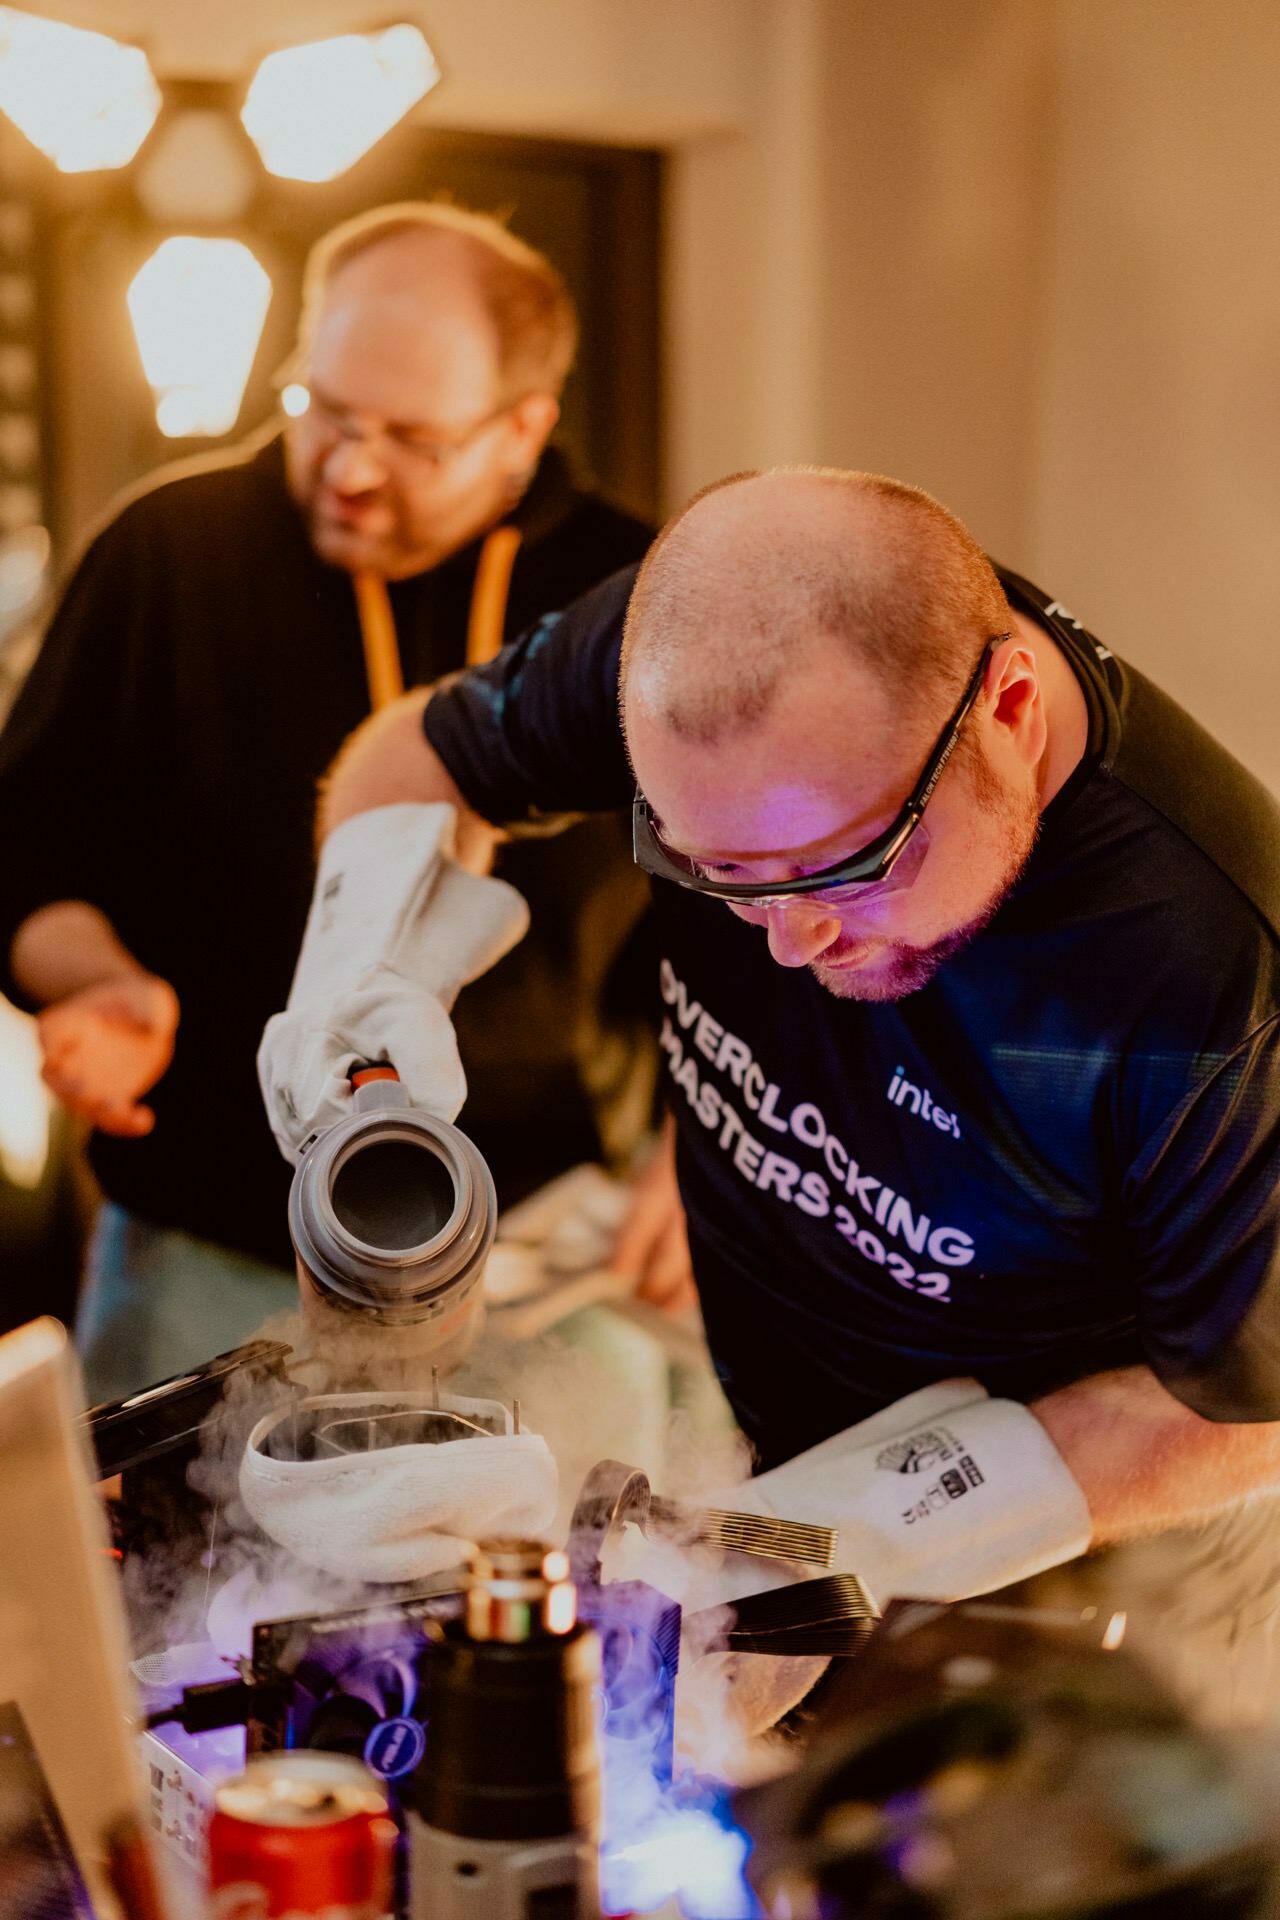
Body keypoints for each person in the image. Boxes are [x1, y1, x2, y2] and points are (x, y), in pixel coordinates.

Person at [261, 466, 1280, 1710]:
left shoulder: (1206, 983)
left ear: (1008, 710)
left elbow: (1239, 1413)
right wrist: (357, 1026)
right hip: (770, 1459)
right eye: (719, 875)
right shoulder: (699, 641)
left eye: (842, 868)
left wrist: (839, 1533)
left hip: (1077, 1609)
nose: (788, 945)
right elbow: (419, 759)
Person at [0, 201, 669, 1403]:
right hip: (207, 1252)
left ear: (524, 429)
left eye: (413, 440)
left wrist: (692, 1153)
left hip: (544, 1260)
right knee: (148, 1586)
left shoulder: (637, 598)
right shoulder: (169, 551)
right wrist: (90, 978)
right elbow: (22, 845)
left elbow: (743, 911)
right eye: (325, 410)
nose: (351, 470)